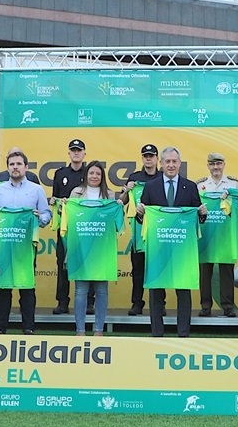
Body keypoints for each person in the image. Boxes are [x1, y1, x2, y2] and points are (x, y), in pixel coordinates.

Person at [136, 147, 206, 337]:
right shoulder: (150, 187)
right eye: (167, 161)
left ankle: (183, 333)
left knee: (183, 290)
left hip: (182, 249)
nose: (171, 165)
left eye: (175, 161)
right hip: (158, 248)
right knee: (156, 290)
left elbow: (197, 216)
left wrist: (202, 215)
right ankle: (157, 332)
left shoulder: (190, 187)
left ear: (179, 164)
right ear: (161, 163)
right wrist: (140, 214)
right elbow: (142, 218)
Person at [0, 149, 52, 335]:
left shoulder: (36, 190)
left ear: (26, 167)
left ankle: (28, 327)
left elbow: (47, 213)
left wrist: (41, 218)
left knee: (27, 287)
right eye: (12, 164)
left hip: (26, 245)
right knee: (3, 288)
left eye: (18, 164)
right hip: (4, 245)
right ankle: (0, 327)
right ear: (7, 168)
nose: (15, 167)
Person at [67, 161, 114, 336]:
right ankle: (80, 330)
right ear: (86, 175)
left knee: (102, 290)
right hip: (80, 248)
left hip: (102, 249)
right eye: (91, 173)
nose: (94, 176)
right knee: (81, 290)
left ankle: (99, 330)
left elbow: (114, 223)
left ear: (102, 177)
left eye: (98, 174)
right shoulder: (76, 193)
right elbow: (69, 219)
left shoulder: (109, 195)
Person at [196, 152, 238, 318]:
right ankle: (205, 306)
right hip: (206, 232)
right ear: (208, 166)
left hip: (225, 233)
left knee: (227, 270)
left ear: (224, 165)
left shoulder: (234, 184)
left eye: (219, 164)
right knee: (205, 270)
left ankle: (227, 306)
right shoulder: (200, 185)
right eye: (212, 164)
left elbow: (237, 207)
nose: (216, 167)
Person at [50, 139, 89, 315]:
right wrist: (54, 202)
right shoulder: (60, 174)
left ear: (84, 153)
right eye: (73, 150)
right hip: (65, 227)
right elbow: (55, 198)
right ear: (69, 153)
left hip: (85, 227)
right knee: (62, 264)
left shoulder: (90, 173)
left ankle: (89, 303)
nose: (76, 153)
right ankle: (62, 302)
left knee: (87, 263)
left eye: (79, 150)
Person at [122, 144, 161, 315]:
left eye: (151, 155)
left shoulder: (163, 177)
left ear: (157, 158)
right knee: (137, 270)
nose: (148, 158)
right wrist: (127, 190)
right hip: (138, 233)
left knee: (158, 269)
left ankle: (159, 304)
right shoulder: (134, 177)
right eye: (145, 155)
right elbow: (122, 202)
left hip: (159, 232)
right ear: (142, 158)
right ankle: (137, 303)